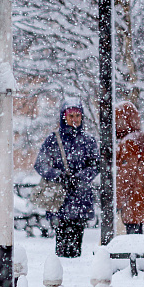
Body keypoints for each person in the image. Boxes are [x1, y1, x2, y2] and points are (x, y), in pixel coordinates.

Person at [35, 98, 99, 257]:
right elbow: (40, 164)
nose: (75, 119)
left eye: (78, 115)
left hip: (80, 197)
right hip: (60, 198)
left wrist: (80, 177)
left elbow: (96, 165)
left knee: (78, 236)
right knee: (61, 236)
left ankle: (73, 265)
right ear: (64, 117)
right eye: (71, 116)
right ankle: (60, 267)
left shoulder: (88, 140)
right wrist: (58, 176)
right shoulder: (53, 140)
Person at [116, 101, 144, 235]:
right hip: (139, 197)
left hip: (130, 202)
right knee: (137, 235)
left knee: (130, 241)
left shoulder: (129, 142)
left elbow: (125, 176)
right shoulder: (140, 138)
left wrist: (118, 201)